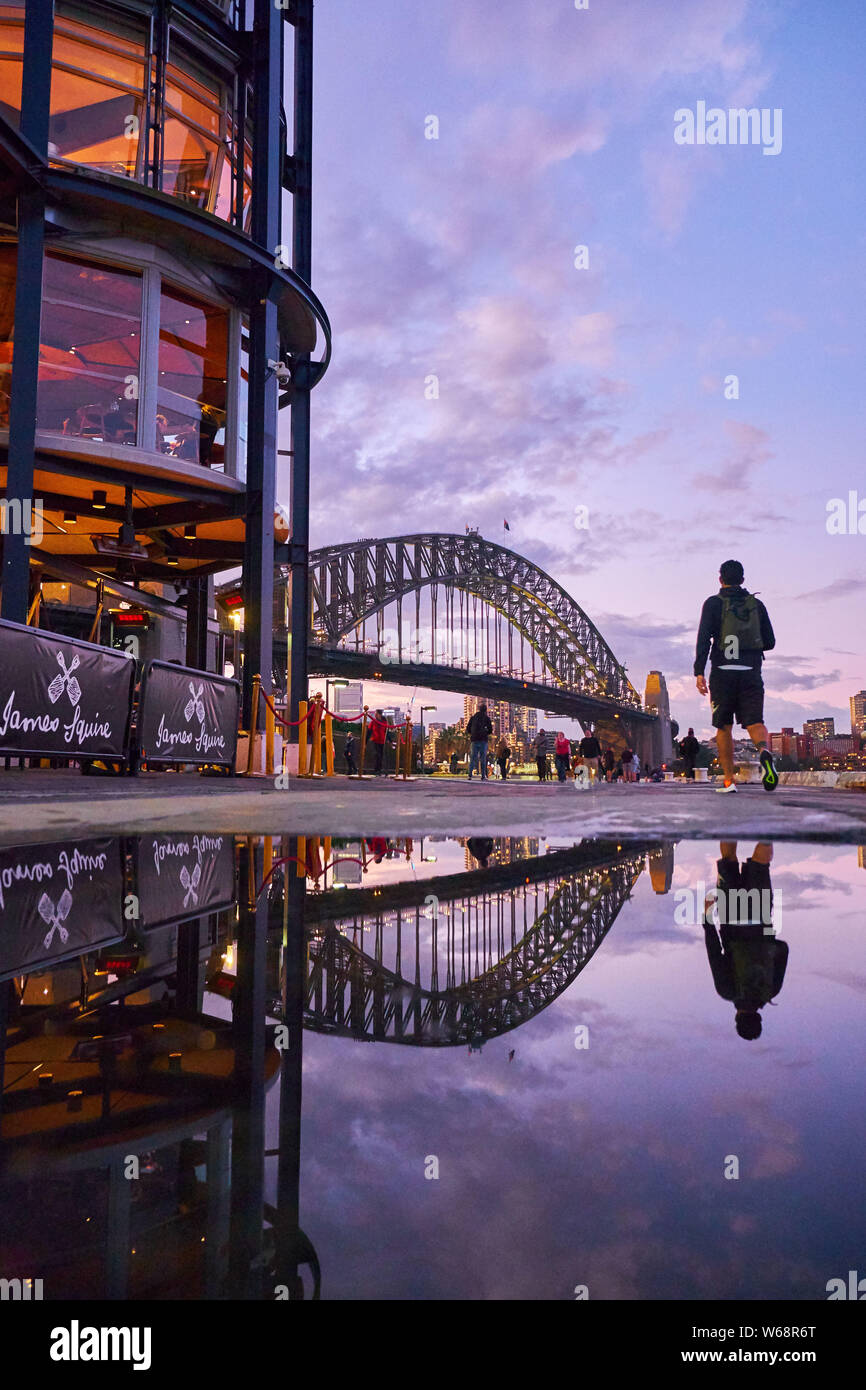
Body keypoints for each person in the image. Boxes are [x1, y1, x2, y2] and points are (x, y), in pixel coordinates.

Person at [694, 560, 777, 793]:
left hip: (722, 672)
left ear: (720, 579)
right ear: (743, 579)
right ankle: (763, 751)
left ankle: (729, 780)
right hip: (750, 670)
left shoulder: (712, 604)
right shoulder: (757, 605)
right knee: (754, 721)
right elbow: (770, 642)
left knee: (723, 726)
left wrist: (698, 671)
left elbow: (703, 640)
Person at [702, 841, 787, 1039]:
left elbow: (783, 949)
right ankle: (728, 815)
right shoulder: (726, 990)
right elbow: (713, 951)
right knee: (728, 859)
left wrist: (766, 936)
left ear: (759, 1019)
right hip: (730, 916)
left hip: (761, 917)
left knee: (760, 863)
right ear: (737, 1019)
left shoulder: (771, 990)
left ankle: (767, 828)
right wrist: (707, 916)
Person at [466, 703, 493, 780]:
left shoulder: (473, 717)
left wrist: (473, 734)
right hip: (483, 740)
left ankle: (470, 775)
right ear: (485, 710)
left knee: (473, 758)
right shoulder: (487, 718)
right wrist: (485, 733)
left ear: (479, 709)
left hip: (474, 740)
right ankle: (483, 776)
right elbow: (490, 730)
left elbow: (468, 728)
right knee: (483, 758)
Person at [368, 709, 391, 776]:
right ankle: (376, 770)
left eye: (376, 713)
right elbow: (369, 732)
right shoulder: (373, 722)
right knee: (376, 754)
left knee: (380, 755)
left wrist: (390, 740)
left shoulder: (384, 722)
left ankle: (379, 770)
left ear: (379, 714)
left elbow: (386, 732)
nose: (375, 715)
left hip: (382, 741)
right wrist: (365, 741)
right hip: (375, 740)